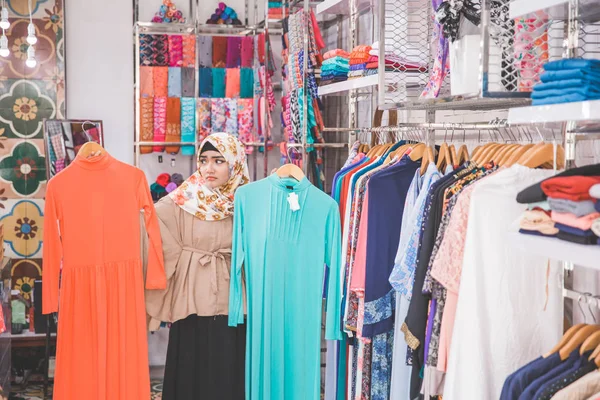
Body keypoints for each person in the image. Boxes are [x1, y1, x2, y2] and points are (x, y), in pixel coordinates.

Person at [145, 132, 250, 400]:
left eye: (218, 161)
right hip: (191, 298)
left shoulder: (248, 202)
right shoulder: (183, 199)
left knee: (228, 365)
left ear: (235, 164)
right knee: (192, 366)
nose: (209, 168)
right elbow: (151, 228)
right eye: (204, 160)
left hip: (232, 298)